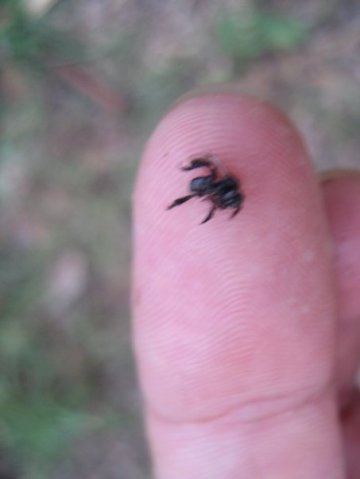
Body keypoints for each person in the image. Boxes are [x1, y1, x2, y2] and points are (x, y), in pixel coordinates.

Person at [132, 91, 360, 478]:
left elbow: (224, 195)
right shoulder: (217, 190)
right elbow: (221, 192)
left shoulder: (221, 194)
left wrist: (220, 196)